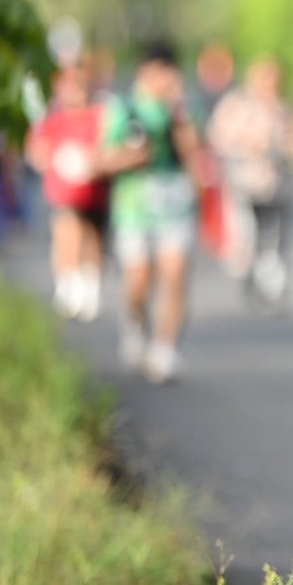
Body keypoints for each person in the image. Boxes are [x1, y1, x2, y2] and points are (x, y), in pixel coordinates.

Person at [96, 40, 203, 385]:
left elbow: (193, 153)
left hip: (175, 204)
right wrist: (131, 157)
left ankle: (164, 350)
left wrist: (180, 114)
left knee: (175, 274)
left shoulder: (183, 108)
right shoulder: (122, 108)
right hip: (134, 207)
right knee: (139, 281)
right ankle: (135, 324)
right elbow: (102, 159)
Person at [207, 55, 293, 308]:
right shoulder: (237, 105)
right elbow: (218, 136)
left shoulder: (282, 110)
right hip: (243, 182)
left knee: (272, 237)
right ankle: (248, 273)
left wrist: (286, 149)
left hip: (276, 185)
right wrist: (246, 143)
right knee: (245, 234)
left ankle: (271, 285)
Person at [24, 62, 109, 321]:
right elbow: (35, 150)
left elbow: (110, 146)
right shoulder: (53, 119)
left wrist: (93, 162)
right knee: (66, 231)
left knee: (92, 238)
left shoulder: (100, 115)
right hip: (64, 192)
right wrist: (51, 159)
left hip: (93, 190)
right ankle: (67, 285)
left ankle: (90, 286)